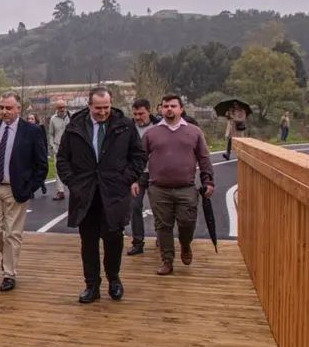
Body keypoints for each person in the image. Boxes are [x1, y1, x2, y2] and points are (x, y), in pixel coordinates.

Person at [56, 87, 146, 304]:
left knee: (113, 238)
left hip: (114, 193)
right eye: (98, 108)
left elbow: (139, 155)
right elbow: (62, 159)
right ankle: (91, 285)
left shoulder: (125, 126)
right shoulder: (75, 128)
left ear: (111, 104)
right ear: (89, 106)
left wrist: (126, 179)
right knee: (88, 242)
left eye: (106, 107)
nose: (103, 112)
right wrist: (73, 183)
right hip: (85, 194)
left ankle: (114, 280)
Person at [0, 91, 48, 292]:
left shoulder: (31, 132)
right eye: (1, 108)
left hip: (17, 190)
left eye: (8, 108)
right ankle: (8, 256)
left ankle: (9, 274)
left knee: (13, 234)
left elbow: (41, 164)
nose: (4, 112)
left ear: (18, 109)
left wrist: (30, 187)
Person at [141, 94, 215, 275]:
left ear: (181, 109)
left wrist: (208, 181)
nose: (169, 109)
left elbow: (204, 158)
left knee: (187, 222)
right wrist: (136, 180)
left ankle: (185, 244)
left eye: (173, 106)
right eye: (165, 106)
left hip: (186, 187)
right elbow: (140, 159)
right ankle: (167, 260)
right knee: (163, 226)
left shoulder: (194, 132)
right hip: (159, 188)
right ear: (161, 109)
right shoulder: (151, 133)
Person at [126, 99, 159, 256]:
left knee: (159, 208)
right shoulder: (128, 128)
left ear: (149, 112)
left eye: (141, 114)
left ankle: (162, 237)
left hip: (156, 174)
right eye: (135, 114)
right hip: (137, 174)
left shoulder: (159, 126)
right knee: (135, 207)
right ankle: (138, 242)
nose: (138, 117)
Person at [46, 100, 70, 200]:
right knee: (58, 169)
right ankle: (60, 191)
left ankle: (74, 190)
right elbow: (51, 134)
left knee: (73, 169)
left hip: (70, 148)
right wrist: (52, 145)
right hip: (58, 148)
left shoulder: (71, 117)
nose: (62, 109)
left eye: (63, 107)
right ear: (57, 108)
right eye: (60, 107)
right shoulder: (53, 119)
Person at [26, 113, 49, 196]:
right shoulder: (25, 129)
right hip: (29, 153)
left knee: (38, 169)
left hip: (38, 153)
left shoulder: (40, 128)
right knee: (30, 171)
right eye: (29, 119)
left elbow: (44, 141)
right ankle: (31, 191)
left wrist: (45, 153)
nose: (30, 120)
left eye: (32, 119)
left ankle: (42, 184)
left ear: (35, 120)